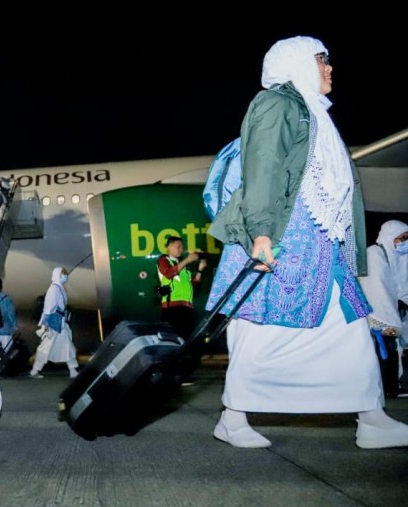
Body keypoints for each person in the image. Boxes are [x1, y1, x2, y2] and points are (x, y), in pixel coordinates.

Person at [205, 36, 408, 449]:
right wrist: (261, 232)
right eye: (321, 61)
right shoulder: (278, 105)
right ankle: (233, 418)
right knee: (263, 333)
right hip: (284, 241)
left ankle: (373, 420)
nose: (329, 68)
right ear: (297, 63)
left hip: (321, 246)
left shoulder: (314, 112)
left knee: (350, 330)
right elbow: (262, 170)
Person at [358, 220, 408, 397]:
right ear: (389, 237)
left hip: (388, 313)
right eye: (401, 238)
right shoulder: (374, 255)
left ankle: (390, 387)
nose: (404, 243)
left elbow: (399, 287)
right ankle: (387, 388)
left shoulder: (392, 257)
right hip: (377, 314)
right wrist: (390, 319)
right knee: (383, 349)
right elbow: (378, 290)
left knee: (390, 348)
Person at [29, 267, 79, 379]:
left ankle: (73, 370)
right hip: (54, 322)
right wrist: (45, 323)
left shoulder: (59, 287)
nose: (65, 275)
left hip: (60, 321)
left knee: (67, 345)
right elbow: (49, 307)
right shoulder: (55, 288)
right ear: (58, 274)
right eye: (63, 273)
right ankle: (35, 369)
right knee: (46, 347)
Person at [157, 236, 208, 337]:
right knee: (173, 339)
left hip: (186, 307)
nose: (181, 249)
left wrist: (200, 269)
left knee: (186, 338)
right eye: (178, 246)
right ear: (169, 247)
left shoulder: (183, 267)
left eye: (182, 247)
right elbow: (169, 273)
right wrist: (187, 260)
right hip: (172, 308)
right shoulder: (164, 260)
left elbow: (192, 284)